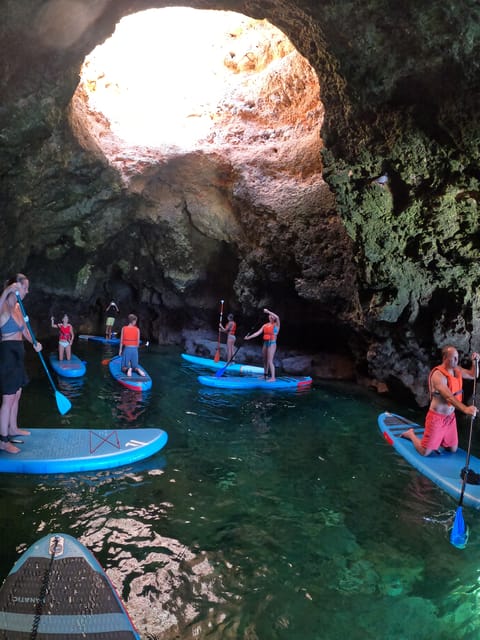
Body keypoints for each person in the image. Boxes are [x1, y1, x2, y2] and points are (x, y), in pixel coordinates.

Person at [401, 345, 478, 456]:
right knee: (425, 452)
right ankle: (410, 434)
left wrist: (475, 363)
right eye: (453, 358)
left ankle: (438, 439)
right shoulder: (438, 375)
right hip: (436, 418)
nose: (457, 360)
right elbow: (449, 397)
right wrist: (465, 409)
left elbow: (473, 375)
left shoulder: (457, 370)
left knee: (452, 449)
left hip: (450, 418)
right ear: (445, 358)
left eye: (457, 357)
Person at [0, 274, 42, 454]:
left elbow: (24, 329)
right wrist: (7, 291)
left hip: (18, 352)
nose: (27, 291)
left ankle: (13, 428)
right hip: (7, 355)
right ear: (16, 288)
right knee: (8, 399)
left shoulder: (18, 308)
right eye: (25, 287)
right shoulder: (3, 307)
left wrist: (34, 342)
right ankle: (2, 441)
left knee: (17, 394)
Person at [244, 308, 280, 381]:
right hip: (265, 343)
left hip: (272, 343)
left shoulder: (277, 325)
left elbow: (277, 317)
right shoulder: (265, 325)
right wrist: (248, 337)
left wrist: (268, 311)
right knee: (265, 360)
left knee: (270, 360)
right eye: (269, 316)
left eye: (272, 316)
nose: (271, 316)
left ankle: (273, 378)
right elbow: (257, 333)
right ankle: (265, 375)